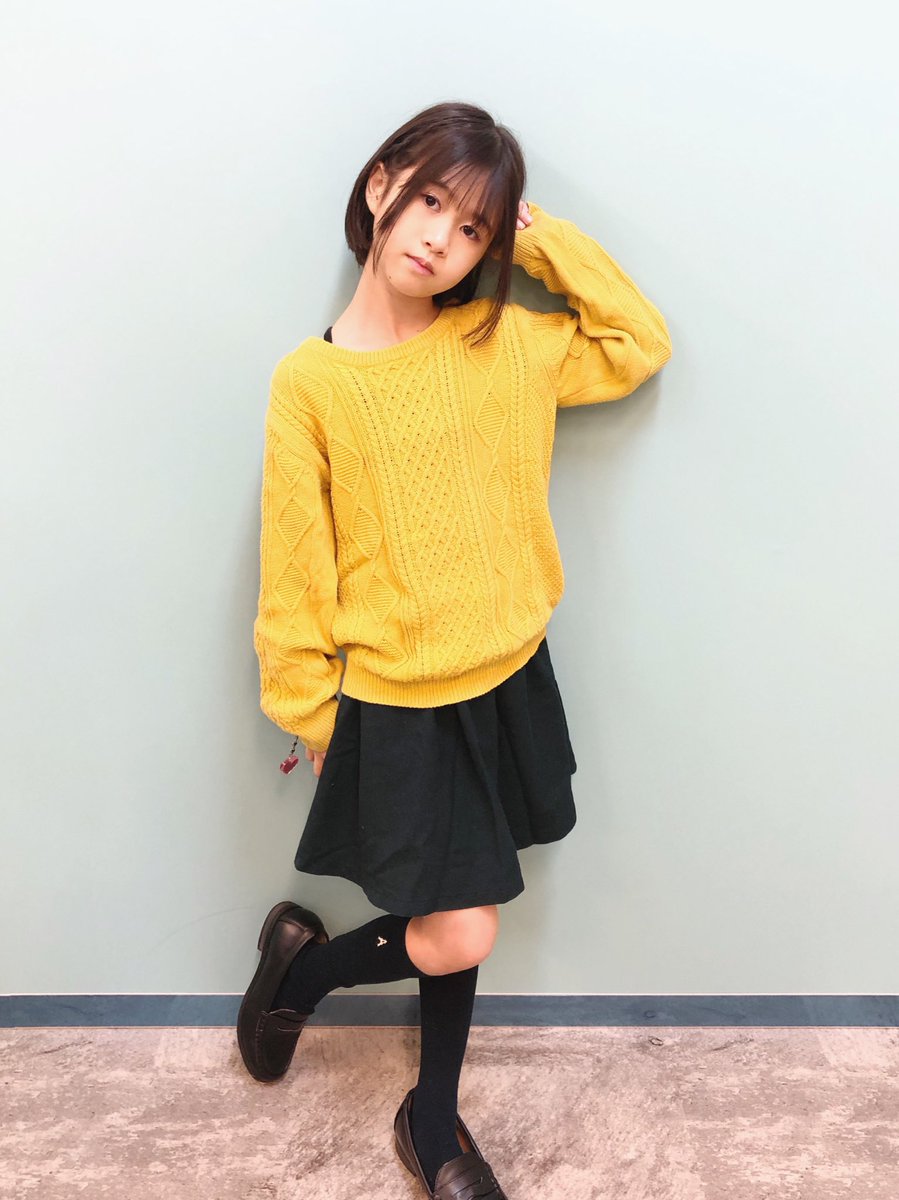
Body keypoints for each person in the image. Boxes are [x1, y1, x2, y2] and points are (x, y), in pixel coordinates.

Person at [237, 100, 673, 1199]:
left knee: (452, 912)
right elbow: (295, 566)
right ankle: (391, 1075)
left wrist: (539, 237)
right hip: (391, 699)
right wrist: (310, 710)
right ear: (380, 185)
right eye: (430, 199)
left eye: (472, 225)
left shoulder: (504, 343)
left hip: (507, 675)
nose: (441, 237)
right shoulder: (311, 383)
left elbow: (637, 343)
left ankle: (355, 1032)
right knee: (460, 924)